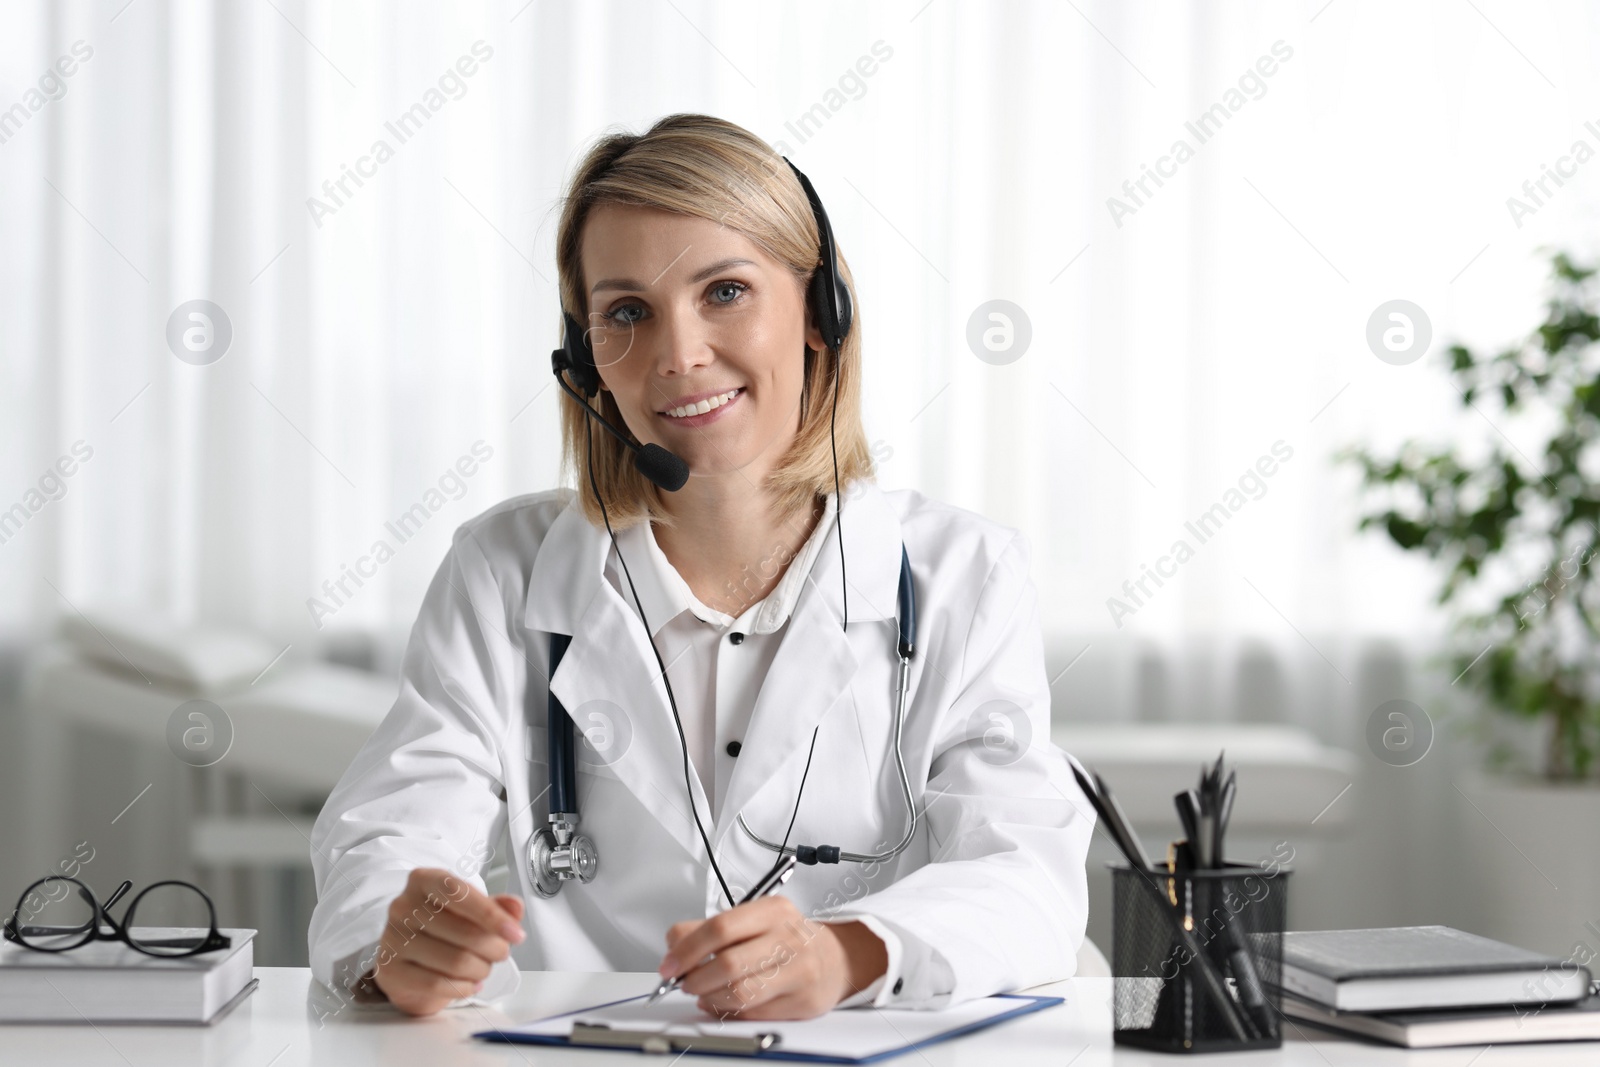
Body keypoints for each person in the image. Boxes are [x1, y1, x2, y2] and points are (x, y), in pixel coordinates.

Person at [307, 113, 1092, 1022]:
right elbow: (389, 829)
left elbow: (1027, 868)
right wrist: (396, 938)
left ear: (818, 312)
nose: (678, 356)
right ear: (584, 359)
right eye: (627, 312)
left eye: (724, 291)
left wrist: (843, 953)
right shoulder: (502, 571)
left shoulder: (963, 573)